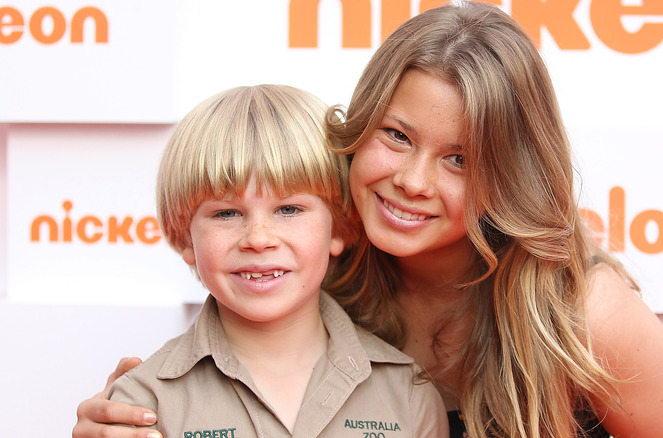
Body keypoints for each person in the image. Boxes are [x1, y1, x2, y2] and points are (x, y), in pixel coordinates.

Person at [73, 3, 663, 438]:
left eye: (460, 158)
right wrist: (129, 411)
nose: (411, 180)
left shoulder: (582, 313)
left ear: (508, 176)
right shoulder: (319, 274)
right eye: (397, 136)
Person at [98, 84, 449, 438]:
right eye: (226, 214)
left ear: (339, 228)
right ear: (183, 237)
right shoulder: (140, 406)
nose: (258, 238)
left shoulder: (408, 393)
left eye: (289, 209)